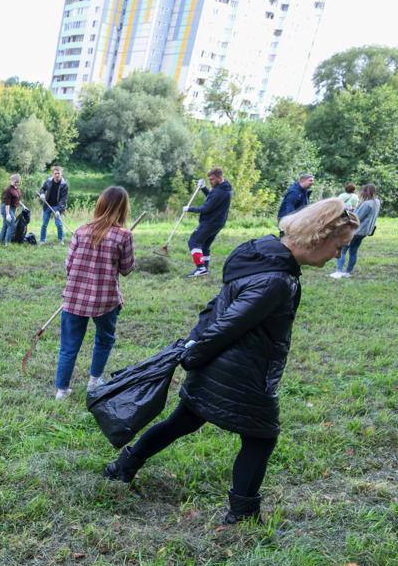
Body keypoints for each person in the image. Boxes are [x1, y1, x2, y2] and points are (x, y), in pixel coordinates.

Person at [102, 199, 360, 524]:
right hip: (241, 372)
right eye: (339, 246)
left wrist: (197, 346)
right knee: (261, 438)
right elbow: (229, 323)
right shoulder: (277, 281)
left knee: (183, 421)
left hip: (218, 364)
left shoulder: (260, 253)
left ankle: (122, 466)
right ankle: (243, 514)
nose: (338, 254)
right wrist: (194, 353)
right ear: (318, 238)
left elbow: (217, 305)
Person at [53, 186, 134, 400]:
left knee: (68, 346)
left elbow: (69, 266)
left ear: (100, 204)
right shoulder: (124, 236)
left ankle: (61, 390)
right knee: (104, 340)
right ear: (123, 208)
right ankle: (94, 380)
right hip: (105, 300)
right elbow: (126, 269)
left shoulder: (80, 230)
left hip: (74, 299)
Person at [184, 167, 233, 278]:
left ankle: (200, 268)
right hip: (218, 222)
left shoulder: (220, 191)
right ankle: (204, 269)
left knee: (193, 241)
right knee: (205, 245)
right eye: (209, 179)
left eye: (212, 179)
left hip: (211, 222)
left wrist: (189, 209)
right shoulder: (224, 188)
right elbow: (212, 198)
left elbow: (206, 208)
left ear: (219, 178)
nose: (210, 181)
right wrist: (204, 188)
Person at [332, 183, 379, 278]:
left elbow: (356, 218)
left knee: (342, 250)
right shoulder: (377, 202)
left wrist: (347, 213)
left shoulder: (366, 203)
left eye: (362, 191)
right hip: (365, 231)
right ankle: (348, 272)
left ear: (366, 191)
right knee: (353, 251)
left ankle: (338, 272)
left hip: (356, 231)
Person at [38, 165, 69, 243]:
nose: (57, 175)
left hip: (57, 206)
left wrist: (59, 210)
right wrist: (42, 194)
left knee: (59, 224)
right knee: (44, 224)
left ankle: (60, 239)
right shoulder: (48, 181)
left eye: (58, 173)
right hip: (47, 205)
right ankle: (42, 240)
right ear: (53, 174)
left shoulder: (64, 185)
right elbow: (42, 189)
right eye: (55, 173)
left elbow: (63, 199)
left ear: (61, 174)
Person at [0, 174, 22, 246]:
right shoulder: (8, 190)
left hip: (13, 208)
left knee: (5, 226)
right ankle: (7, 243)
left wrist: (22, 206)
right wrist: (8, 214)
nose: (16, 182)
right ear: (12, 180)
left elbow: (17, 199)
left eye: (17, 181)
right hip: (6, 208)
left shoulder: (17, 189)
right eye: (14, 181)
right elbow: (7, 203)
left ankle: (0, 242)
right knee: (12, 225)